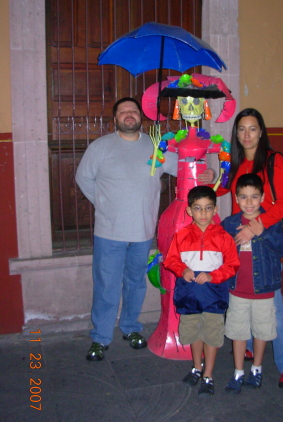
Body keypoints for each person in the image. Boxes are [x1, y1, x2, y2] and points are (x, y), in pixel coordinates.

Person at [75, 97, 215, 361]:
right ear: (115, 119)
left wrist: (207, 174)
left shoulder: (156, 146)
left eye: (134, 111)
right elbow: (83, 177)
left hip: (142, 232)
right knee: (106, 287)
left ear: (141, 117)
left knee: (135, 284)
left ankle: (130, 328)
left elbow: (185, 166)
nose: (129, 115)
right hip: (109, 232)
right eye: (123, 112)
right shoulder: (101, 147)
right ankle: (101, 338)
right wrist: (102, 202)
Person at [226, 107, 283, 389]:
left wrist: (258, 225)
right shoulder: (237, 162)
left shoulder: (273, 160)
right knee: (241, 298)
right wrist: (212, 177)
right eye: (241, 129)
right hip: (240, 242)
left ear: (261, 131)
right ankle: (249, 347)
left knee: (273, 305)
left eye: (252, 128)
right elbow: (225, 189)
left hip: (264, 242)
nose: (246, 134)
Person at [163, 186, 239, 396]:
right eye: (198, 208)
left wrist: (214, 275)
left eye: (208, 208)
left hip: (214, 296)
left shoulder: (224, 237)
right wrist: (183, 269)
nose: (203, 213)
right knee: (194, 332)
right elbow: (171, 260)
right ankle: (196, 367)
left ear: (215, 210)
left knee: (212, 335)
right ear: (189, 211)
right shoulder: (182, 235)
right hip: (189, 296)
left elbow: (232, 264)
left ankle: (208, 374)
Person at [222, 174, 283, 394]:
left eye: (254, 197)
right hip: (237, 289)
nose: (249, 203)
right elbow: (217, 246)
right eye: (243, 197)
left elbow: (281, 250)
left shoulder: (270, 222)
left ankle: (257, 369)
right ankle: (238, 372)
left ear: (262, 198)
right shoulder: (231, 223)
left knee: (262, 331)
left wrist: (263, 234)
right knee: (238, 332)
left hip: (264, 290)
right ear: (237, 199)